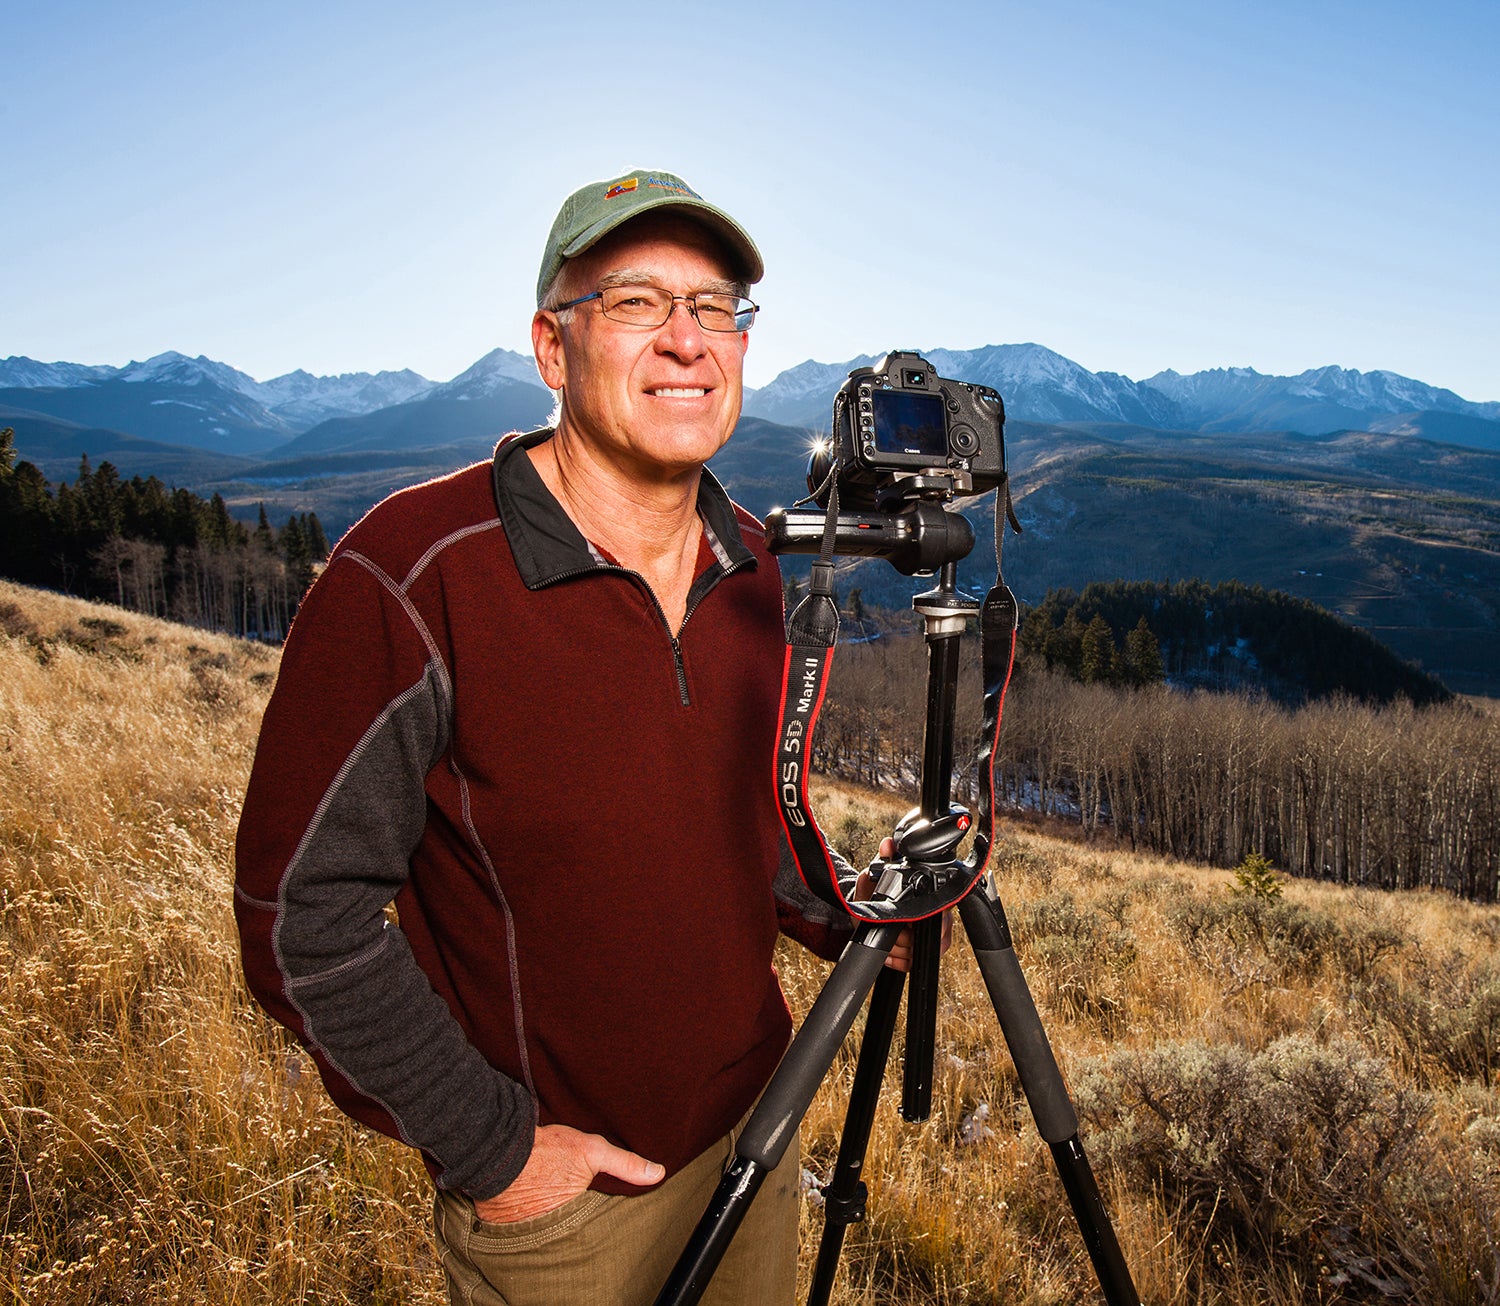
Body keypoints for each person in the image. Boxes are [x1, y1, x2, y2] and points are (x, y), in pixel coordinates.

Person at [235, 168, 914, 1306]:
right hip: (567, 1212)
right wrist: (491, 1147)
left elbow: (732, 816)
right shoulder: (413, 575)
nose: (688, 341)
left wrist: (839, 907)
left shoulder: (754, 566)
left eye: (715, 307)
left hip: (756, 1126)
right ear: (554, 348)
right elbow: (298, 915)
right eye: (639, 303)